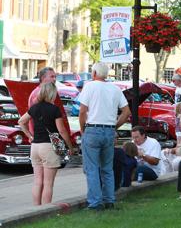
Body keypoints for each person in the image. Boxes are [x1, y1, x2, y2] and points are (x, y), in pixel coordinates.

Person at [78, 62, 131, 210]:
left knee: (92, 168)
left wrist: (83, 129)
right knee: (107, 168)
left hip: (93, 129)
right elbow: (126, 112)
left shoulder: (89, 86)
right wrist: (114, 126)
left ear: (94, 73)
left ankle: (95, 202)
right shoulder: (115, 89)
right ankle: (109, 200)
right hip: (109, 130)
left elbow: (82, 111)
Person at [18, 82, 74, 205]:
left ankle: (35, 210)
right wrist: (70, 146)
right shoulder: (54, 109)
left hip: (35, 147)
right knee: (48, 183)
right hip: (49, 148)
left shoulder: (34, 107)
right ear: (52, 93)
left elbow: (21, 121)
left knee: (38, 182)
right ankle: (45, 211)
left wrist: (30, 136)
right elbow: (62, 130)